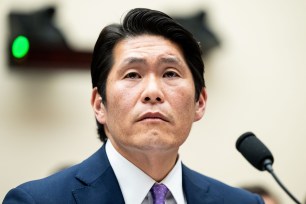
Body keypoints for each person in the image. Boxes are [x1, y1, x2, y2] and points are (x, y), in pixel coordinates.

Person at [3, 8, 264, 204]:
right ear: (99, 105)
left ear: (200, 102)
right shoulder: (36, 201)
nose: (153, 92)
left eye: (170, 73)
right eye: (132, 75)